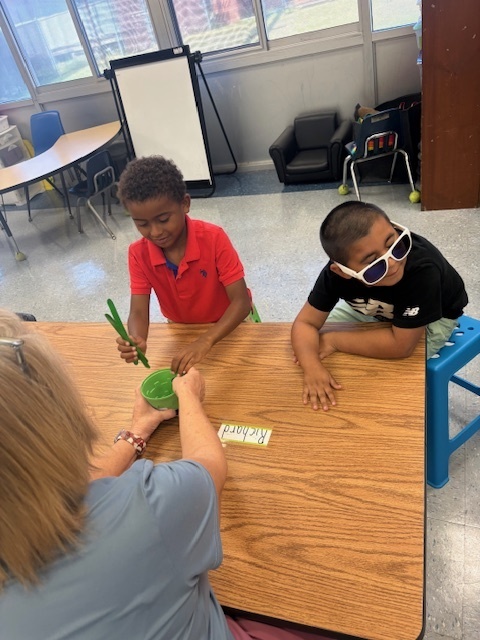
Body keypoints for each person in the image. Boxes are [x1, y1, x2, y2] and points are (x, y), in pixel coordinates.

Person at [0, 309, 328, 640]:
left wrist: (139, 428)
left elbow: (71, 486)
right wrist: (189, 398)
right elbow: (208, 464)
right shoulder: (145, 507)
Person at [291, 201, 468, 411]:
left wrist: (335, 340)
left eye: (394, 244)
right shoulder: (335, 275)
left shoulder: (422, 268)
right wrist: (312, 368)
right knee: (311, 354)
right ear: (343, 272)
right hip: (374, 309)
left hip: (435, 317)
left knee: (378, 375)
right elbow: (305, 323)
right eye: (374, 264)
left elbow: (401, 347)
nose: (392, 262)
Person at [116, 156, 252, 374]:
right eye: (142, 224)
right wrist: (136, 338)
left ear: (185, 204)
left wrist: (206, 340)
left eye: (163, 220)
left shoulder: (214, 238)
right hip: (181, 330)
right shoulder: (137, 253)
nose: (155, 232)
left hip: (230, 325)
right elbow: (139, 312)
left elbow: (241, 303)